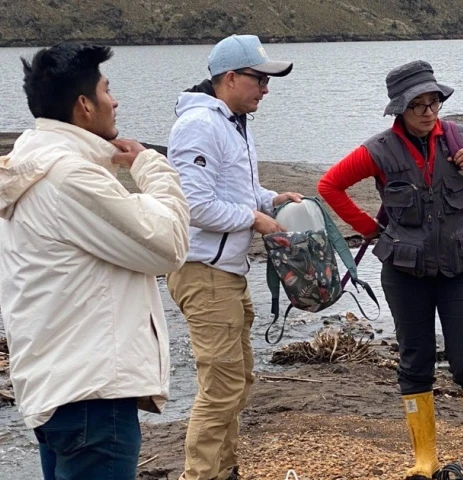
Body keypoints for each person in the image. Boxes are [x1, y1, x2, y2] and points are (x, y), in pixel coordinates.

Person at [0, 43, 190, 480]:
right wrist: (151, 167)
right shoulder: (70, 177)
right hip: (92, 396)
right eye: (107, 89)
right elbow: (169, 245)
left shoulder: (32, 160)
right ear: (84, 105)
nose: (116, 100)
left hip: (57, 388)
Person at [318, 60, 463, 479]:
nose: (428, 111)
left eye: (433, 101)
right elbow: (329, 185)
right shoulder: (378, 150)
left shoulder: (460, 137)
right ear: (399, 110)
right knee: (415, 362)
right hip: (405, 273)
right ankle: (425, 459)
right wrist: (370, 229)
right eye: (417, 104)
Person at [166, 34, 302, 480]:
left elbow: (234, 190)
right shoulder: (200, 125)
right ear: (230, 78)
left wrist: (268, 198)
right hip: (203, 272)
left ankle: (224, 470)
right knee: (221, 389)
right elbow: (194, 204)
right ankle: (200, 475)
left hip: (225, 272)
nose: (266, 88)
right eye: (260, 79)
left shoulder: (232, 121)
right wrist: (256, 220)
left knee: (237, 382)